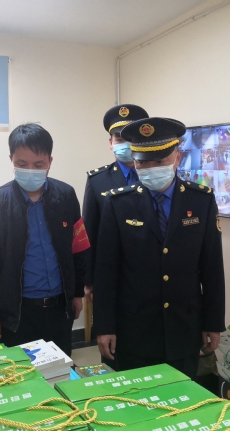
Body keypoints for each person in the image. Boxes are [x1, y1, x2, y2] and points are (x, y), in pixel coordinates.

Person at [92, 117, 225, 380]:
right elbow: (106, 272)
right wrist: (104, 326)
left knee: (184, 396)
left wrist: (213, 322)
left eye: (159, 161)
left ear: (177, 157)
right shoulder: (118, 204)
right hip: (134, 330)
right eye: (142, 162)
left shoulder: (201, 201)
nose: (150, 168)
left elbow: (212, 268)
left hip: (184, 327)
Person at [0, 123, 89, 356]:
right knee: (20, 374)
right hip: (16, 314)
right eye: (22, 164)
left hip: (59, 310)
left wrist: (77, 293)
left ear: (50, 162)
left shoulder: (66, 195)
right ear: (11, 160)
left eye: (38, 165)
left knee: (61, 371)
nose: (30, 170)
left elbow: (77, 250)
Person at [82, 104, 149, 304]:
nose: (125, 144)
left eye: (131, 139)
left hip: (149, 271)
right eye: (119, 139)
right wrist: (88, 280)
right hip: (110, 272)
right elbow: (89, 233)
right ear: (110, 143)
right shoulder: (97, 180)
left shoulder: (155, 176)